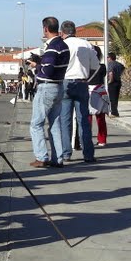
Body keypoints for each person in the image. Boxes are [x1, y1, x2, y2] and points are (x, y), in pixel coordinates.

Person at [28, 17, 69, 168]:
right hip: (59, 86)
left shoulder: (52, 47)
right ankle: (57, 158)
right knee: (54, 123)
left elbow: (48, 69)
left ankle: (41, 156)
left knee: (36, 124)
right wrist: (41, 63)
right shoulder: (64, 45)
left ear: (45, 29)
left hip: (47, 87)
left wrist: (38, 66)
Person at [58, 20, 99, 164]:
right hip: (82, 82)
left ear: (62, 32)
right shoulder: (86, 44)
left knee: (65, 120)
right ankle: (88, 154)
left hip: (65, 83)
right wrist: (87, 77)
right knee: (83, 120)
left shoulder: (61, 45)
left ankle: (65, 153)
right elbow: (96, 66)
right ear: (75, 31)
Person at [87, 45, 108, 147]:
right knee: (101, 118)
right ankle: (102, 140)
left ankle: (87, 139)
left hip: (88, 91)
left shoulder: (86, 67)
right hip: (100, 92)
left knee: (87, 118)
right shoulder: (103, 67)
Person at [106, 52, 124, 117]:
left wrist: (110, 81)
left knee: (112, 98)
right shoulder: (119, 64)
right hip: (118, 81)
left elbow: (111, 73)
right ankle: (115, 111)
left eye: (107, 57)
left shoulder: (110, 64)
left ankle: (114, 113)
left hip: (113, 82)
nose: (107, 59)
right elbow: (123, 69)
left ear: (110, 58)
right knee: (116, 98)